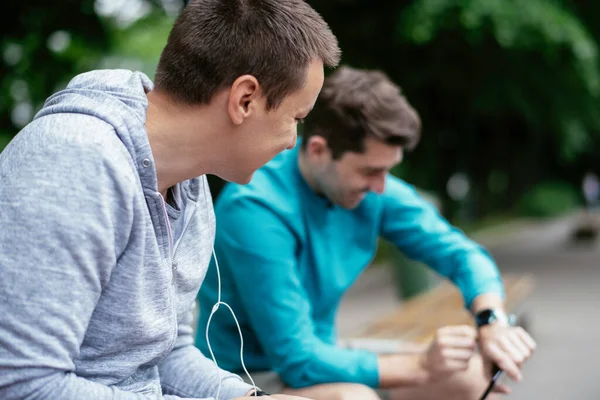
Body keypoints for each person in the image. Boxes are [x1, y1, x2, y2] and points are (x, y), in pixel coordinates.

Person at [0, 0, 340, 399]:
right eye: (296, 118)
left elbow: (166, 354)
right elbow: (23, 384)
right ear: (245, 99)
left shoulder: (189, 182)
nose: (291, 142)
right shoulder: (72, 162)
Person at [195, 66, 536, 400]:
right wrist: (420, 365)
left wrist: (491, 321)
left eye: (388, 170)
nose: (381, 186)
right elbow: (297, 359)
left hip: (323, 352)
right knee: (354, 397)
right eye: (370, 170)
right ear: (318, 150)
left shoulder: (370, 189)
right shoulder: (255, 208)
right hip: (245, 376)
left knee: (470, 378)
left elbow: (462, 254)